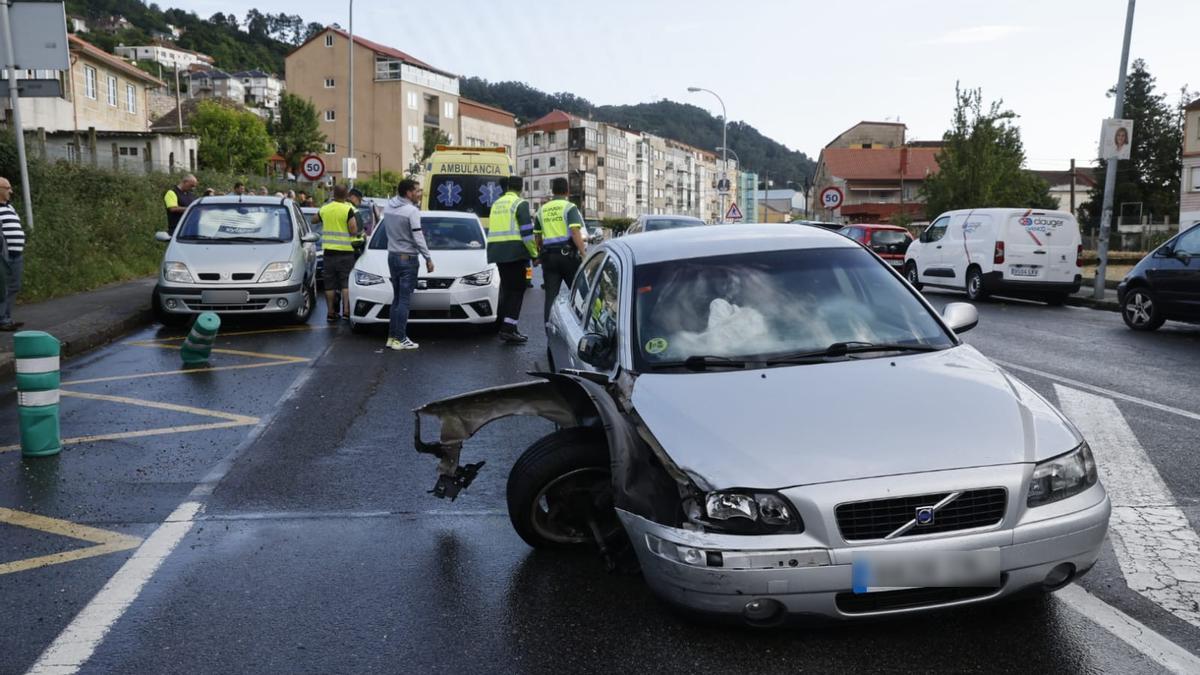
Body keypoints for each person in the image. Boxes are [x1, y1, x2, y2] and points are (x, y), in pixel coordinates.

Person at [381, 179, 434, 350]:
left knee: (396, 299)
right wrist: (428, 258)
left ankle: (391, 337)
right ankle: (401, 338)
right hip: (408, 258)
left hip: (393, 256)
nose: (420, 194)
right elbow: (418, 237)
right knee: (404, 300)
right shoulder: (411, 211)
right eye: (417, 191)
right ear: (408, 193)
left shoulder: (388, 207)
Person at [487, 175, 537, 343]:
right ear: (521, 188)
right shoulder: (520, 203)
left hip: (498, 252)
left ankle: (508, 326)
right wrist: (534, 254)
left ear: (508, 186)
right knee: (517, 291)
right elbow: (527, 234)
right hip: (515, 252)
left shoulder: (496, 203)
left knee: (508, 290)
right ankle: (508, 329)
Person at [534, 178, 587, 322]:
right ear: (567, 191)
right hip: (568, 257)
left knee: (550, 297)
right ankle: (583, 326)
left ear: (553, 191)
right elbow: (575, 231)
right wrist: (583, 254)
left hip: (548, 258)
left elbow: (537, 236)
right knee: (579, 294)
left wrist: (539, 254)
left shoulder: (542, 210)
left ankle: (550, 332)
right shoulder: (569, 207)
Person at [312, 184, 358, 322]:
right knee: (345, 284)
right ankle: (346, 311)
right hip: (346, 253)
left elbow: (313, 220)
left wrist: (325, 216)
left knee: (330, 284)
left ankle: (331, 312)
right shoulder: (348, 209)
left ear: (333, 194)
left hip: (329, 253)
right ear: (346, 195)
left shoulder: (325, 209)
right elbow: (353, 229)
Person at [0, 177, 23, 331]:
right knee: (3, 287)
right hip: (4, 254)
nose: (11, 191)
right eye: (8, 188)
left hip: (17, 253)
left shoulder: (10, 207)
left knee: (14, 286)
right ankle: (2, 320)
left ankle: (6, 318)